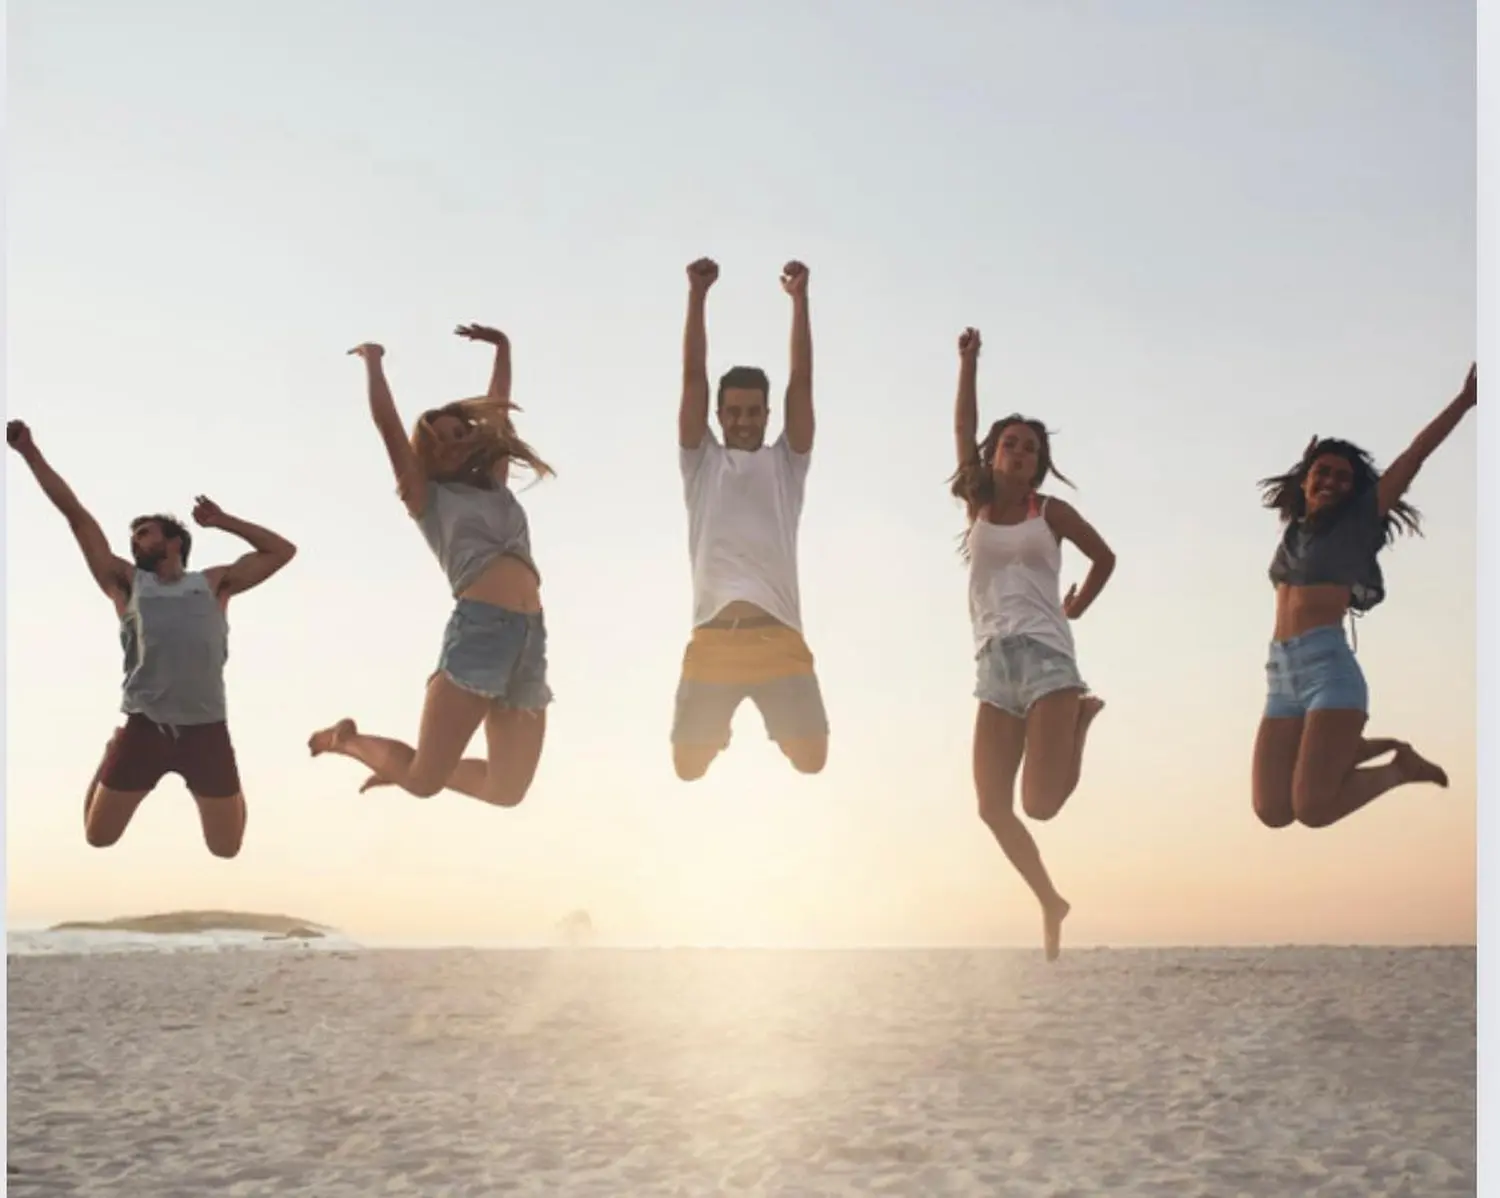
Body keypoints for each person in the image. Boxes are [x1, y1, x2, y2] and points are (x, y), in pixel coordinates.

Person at [6, 419, 297, 858]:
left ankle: (228, 783)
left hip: (206, 729)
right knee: (98, 837)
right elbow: (76, 516)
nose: (135, 542)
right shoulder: (126, 583)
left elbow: (282, 551)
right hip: (145, 727)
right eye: (133, 537)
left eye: (144, 533)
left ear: (174, 541)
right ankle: (112, 750)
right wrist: (30, 453)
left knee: (226, 848)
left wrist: (223, 521)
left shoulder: (214, 583)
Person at [309, 324, 554, 808]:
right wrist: (373, 361)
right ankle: (348, 741)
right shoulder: (427, 498)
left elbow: (498, 410)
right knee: (423, 783)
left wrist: (503, 349)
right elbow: (387, 426)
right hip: (480, 632)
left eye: (460, 433)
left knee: (507, 790)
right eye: (440, 439)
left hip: (530, 636)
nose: (453, 442)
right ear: (428, 451)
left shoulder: (494, 483)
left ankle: (401, 767)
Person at [948, 328, 1116, 961]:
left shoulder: (1052, 513)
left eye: (1029, 449)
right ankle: (1050, 900)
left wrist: (1078, 605)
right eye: (1010, 444)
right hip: (993, 666)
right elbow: (962, 427)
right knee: (992, 808)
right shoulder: (978, 507)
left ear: (1038, 465)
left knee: (1041, 806)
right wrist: (968, 363)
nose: (1018, 453)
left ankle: (1080, 719)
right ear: (993, 455)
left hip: (1047, 660)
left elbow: (1105, 558)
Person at [1251, 363, 1477, 830]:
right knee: (1272, 811)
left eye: (1343, 477)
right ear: (1305, 479)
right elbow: (1303, 488)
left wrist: (1464, 401)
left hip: (1328, 672)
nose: (1331, 481)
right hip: (1281, 676)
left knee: (1312, 809)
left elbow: (1415, 455)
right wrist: (1306, 464)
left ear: (1355, 490)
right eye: (1322, 472)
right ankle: (1346, 748)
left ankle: (1399, 769)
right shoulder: (1294, 530)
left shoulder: (1357, 524)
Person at [672, 257, 829, 781]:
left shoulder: (786, 464)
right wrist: (697, 297)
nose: (743, 421)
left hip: (776, 638)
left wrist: (799, 300)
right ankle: (719, 724)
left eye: (753, 411)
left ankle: (769, 709)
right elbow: (693, 377)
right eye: (733, 412)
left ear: (767, 415)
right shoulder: (702, 463)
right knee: (687, 768)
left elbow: (801, 382)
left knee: (812, 760)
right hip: (714, 640)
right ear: (719, 416)